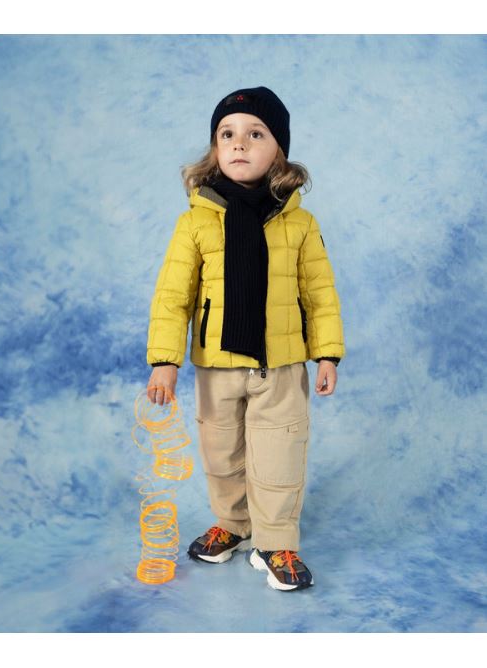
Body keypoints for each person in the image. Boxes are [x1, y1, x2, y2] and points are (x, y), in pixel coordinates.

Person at [146, 86, 345, 591]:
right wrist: (165, 360)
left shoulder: (300, 224)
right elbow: (172, 297)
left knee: (279, 453)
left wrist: (327, 354)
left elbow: (320, 294)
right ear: (214, 148)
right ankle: (233, 524)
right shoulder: (194, 222)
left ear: (279, 150)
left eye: (256, 134)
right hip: (217, 366)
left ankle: (276, 542)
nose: (239, 143)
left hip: (280, 365)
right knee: (222, 453)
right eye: (227, 134)